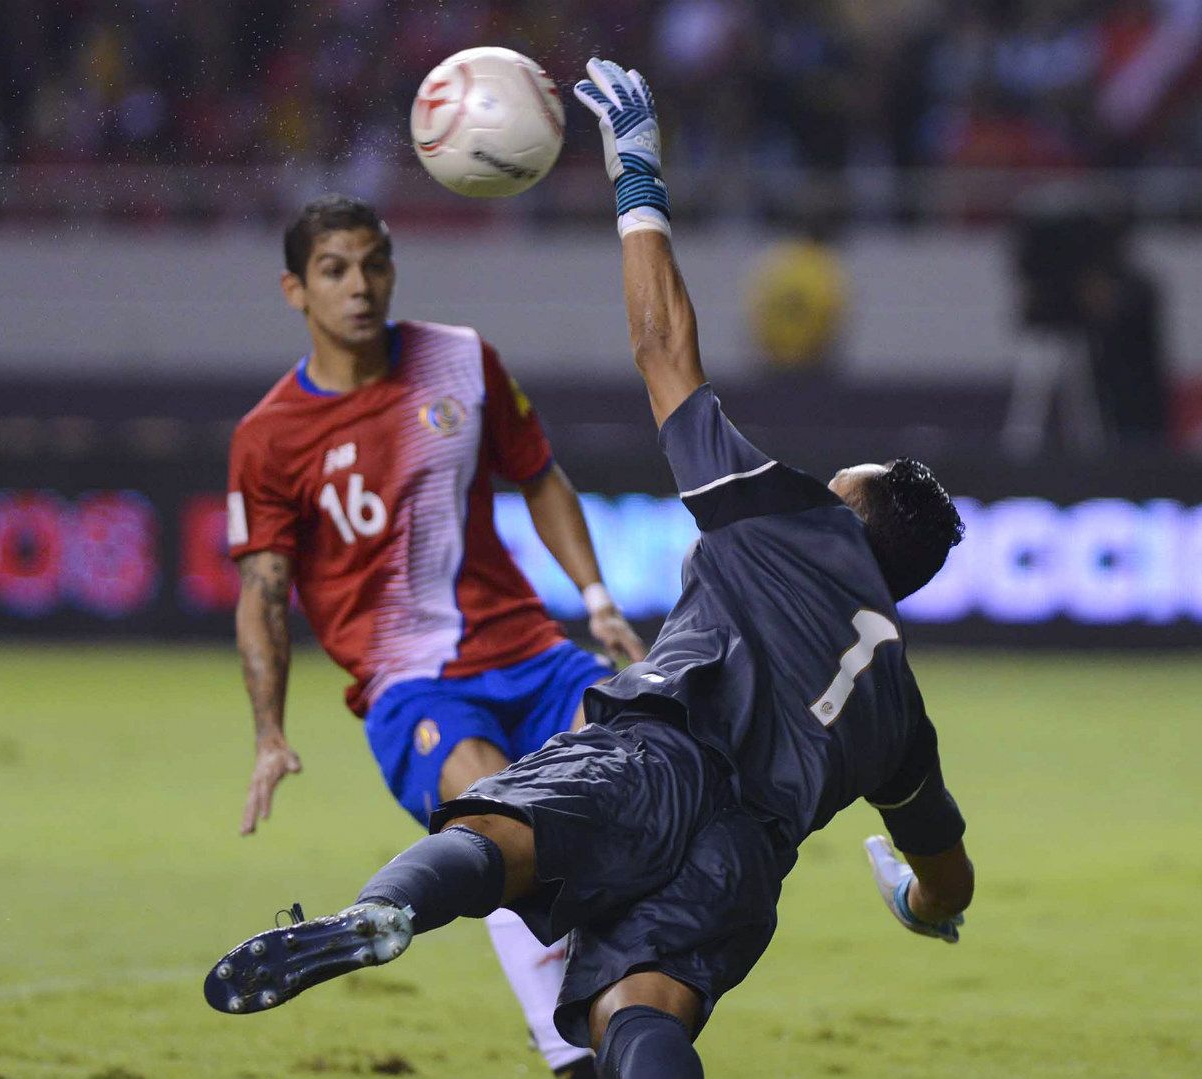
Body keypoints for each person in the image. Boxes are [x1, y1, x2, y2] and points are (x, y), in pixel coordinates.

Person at [206, 62, 975, 1079]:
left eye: (841, 479)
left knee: (499, 831)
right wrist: (916, 900)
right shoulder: (899, 715)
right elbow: (948, 879)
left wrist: (638, 174)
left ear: (843, 510)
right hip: (744, 856)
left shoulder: (779, 517)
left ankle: (384, 910)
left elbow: (663, 347)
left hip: (652, 760)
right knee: (639, 1018)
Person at [226, 193, 648, 1079]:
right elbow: (263, 591)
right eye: (335, 269)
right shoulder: (269, 438)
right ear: (294, 289)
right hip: (411, 683)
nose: (360, 285)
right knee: (498, 819)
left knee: (631, 789)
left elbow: (539, 476)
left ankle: (622, 1011)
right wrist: (269, 731)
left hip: (532, 652)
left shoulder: (460, 360)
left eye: (374, 263)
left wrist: (597, 594)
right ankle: (570, 1052)